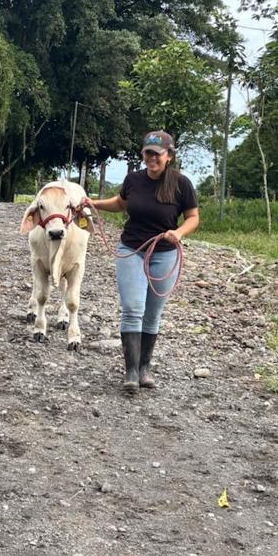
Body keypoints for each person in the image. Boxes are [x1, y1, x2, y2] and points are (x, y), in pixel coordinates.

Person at [95, 131, 200, 391]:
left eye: (157, 154)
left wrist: (179, 232)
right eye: (147, 153)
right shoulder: (133, 179)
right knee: (133, 308)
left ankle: (144, 368)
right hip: (133, 250)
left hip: (164, 254)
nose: (151, 158)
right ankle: (130, 372)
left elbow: (193, 217)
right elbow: (120, 203)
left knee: (152, 314)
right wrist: (92, 203)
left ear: (169, 156)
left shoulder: (181, 183)